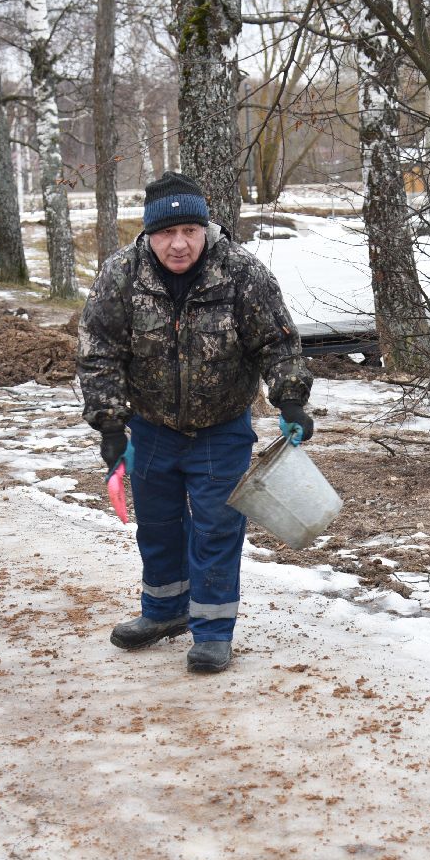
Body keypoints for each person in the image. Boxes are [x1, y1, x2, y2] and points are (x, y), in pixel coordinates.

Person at [79, 171, 314, 674]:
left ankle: (211, 632)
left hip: (221, 428)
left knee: (215, 529)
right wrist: (110, 424)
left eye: (190, 230)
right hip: (151, 429)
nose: (179, 243)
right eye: (167, 233)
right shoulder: (121, 276)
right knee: (158, 527)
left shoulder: (242, 273)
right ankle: (164, 611)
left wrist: (290, 399)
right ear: (149, 233)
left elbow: (278, 341)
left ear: (205, 227)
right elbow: (100, 353)